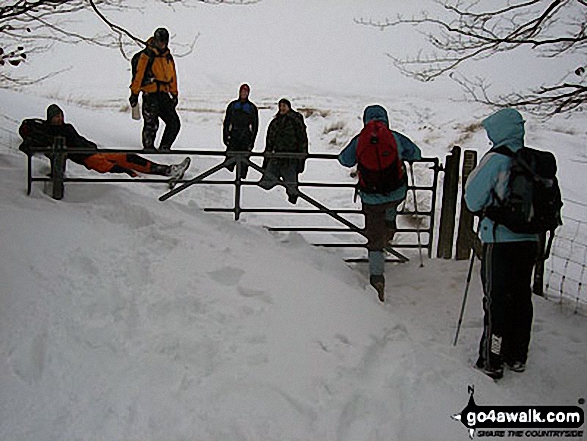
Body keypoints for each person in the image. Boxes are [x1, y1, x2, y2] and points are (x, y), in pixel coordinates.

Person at [464, 108, 540, 380]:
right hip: (530, 241)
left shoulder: (496, 159)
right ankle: (517, 354)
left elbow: (472, 200)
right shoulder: (533, 160)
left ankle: (492, 358)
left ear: (498, 131)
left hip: (500, 241)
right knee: (521, 298)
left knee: (497, 301)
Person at [338, 105, 421, 302]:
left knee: (374, 240)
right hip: (395, 192)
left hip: (371, 198)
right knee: (392, 201)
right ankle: (390, 225)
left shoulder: (361, 139)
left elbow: (344, 160)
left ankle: (377, 280)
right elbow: (416, 153)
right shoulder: (394, 137)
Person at [19, 104, 190, 183]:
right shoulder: (49, 131)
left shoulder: (67, 127)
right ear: (50, 118)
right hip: (87, 159)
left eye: (61, 116)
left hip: (94, 152)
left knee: (128, 158)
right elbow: (30, 140)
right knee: (120, 169)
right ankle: (142, 182)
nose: (60, 119)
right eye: (56, 116)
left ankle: (167, 170)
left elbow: (79, 140)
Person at [129, 27, 180, 152]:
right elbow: (139, 75)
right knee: (151, 124)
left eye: (164, 42)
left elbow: (172, 76)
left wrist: (174, 94)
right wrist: (134, 93)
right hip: (150, 94)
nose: (161, 44)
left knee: (174, 123)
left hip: (164, 94)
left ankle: (164, 148)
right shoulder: (147, 55)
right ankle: (149, 149)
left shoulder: (168, 57)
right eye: (159, 41)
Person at [258, 98, 308, 204]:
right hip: (276, 157)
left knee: (292, 187)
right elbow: (269, 140)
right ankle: (260, 203)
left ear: (289, 107)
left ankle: (293, 207)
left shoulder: (296, 121)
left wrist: (302, 158)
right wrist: (266, 158)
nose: (282, 108)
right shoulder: (275, 122)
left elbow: (302, 140)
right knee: (265, 184)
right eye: (280, 106)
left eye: (284, 106)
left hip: (291, 158)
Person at [222, 84, 259, 179]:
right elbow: (227, 122)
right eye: (242, 91)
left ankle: (241, 183)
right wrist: (225, 136)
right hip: (234, 135)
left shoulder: (251, 107)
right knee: (229, 161)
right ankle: (226, 180)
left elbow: (255, 126)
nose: (244, 93)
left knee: (243, 163)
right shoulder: (233, 105)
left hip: (245, 136)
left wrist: (252, 141)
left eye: (246, 92)